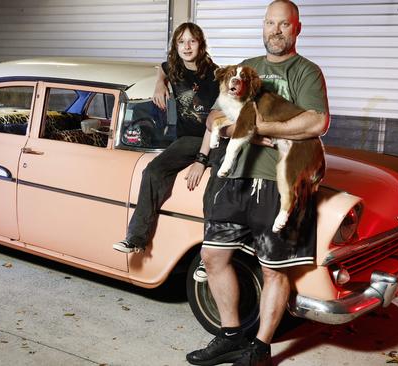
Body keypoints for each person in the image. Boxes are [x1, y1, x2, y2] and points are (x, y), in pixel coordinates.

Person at [186, 1, 329, 365]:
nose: (275, 30)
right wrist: (234, 126)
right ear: (263, 26)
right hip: (234, 178)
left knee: (273, 268)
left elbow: (315, 123)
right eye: (269, 23)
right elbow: (215, 117)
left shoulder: (307, 72)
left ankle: (260, 348)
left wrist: (257, 128)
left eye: (283, 24)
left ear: (297, 28)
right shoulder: (247, 68)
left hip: (274, 181)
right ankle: (231, 334)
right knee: (213, 255)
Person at [113, 22, 220, 253]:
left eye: (192, 41)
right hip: (186, 140)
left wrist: (201, 162)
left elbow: (220, 116)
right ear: (175, 46)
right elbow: (161, 68)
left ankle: (211, 252)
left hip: (214, 139)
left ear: (200, 44)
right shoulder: (173, 68)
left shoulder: (215, 73)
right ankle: (135, 238)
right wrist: (159, 84)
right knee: (152, 171)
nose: (187, 46)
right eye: (181, 42)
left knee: (217, 183)